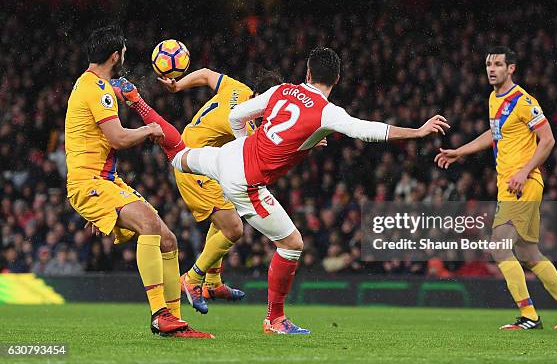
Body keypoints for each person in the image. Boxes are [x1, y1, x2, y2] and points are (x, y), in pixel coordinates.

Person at [127, 46, 448, 334]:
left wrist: (248, 145)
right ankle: (274, 319)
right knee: (292, 244)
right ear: (334, 81)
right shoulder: (327, 112)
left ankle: (136, 101)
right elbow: (369, 131)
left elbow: (237, 115)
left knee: (177, 155)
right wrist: (418, 132)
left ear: (307, 72)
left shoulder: (283, 90)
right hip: (246, 182)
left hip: (226, 157)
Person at [64, 25, 212, 338]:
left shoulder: (90, 84)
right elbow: (117, 138)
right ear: (115, 55)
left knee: (168, 238)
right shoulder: (97, 89)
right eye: (124, 54)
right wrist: (148, 131)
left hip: (104, 181)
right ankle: (159, 314)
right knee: (148, 224)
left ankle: (174, 321)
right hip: (90, 182)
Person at [435, 46, 557, 330]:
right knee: (530, 253)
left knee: (499, 246)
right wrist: (460, 151)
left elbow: (548, 140)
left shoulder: (523, 101)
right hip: (511, 184)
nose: (491, 69)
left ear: (511, 69)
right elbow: (495, 134)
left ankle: (529, 316)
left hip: (522, 184)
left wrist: (524, 171)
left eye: (497, 64)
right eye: (488, 64)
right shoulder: (495, 99)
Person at [115, 67, 283, 315]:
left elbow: (205, 74)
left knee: (230, 206)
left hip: (204, 159)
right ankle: (192, 279)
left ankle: (212, 284)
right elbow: (262, 154)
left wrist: (177, 86)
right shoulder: (244, 123)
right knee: (234, 228)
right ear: (258, 95)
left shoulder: (239, 89)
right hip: (192, 164)